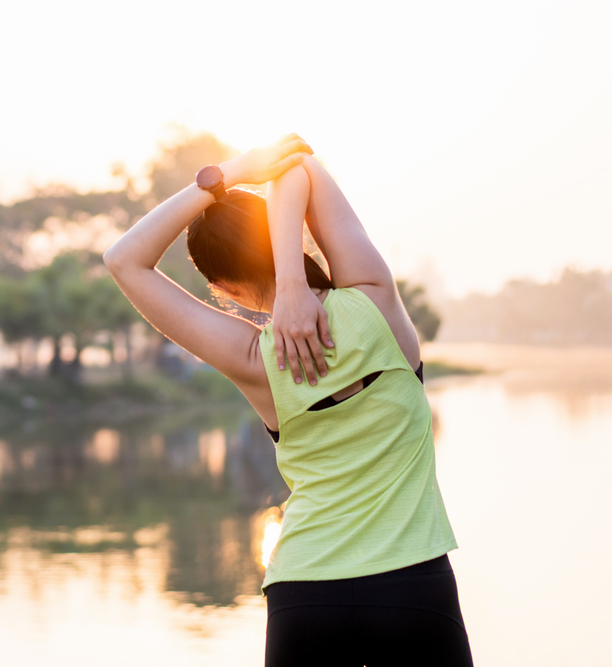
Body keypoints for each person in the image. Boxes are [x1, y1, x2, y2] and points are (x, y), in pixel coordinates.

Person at [103, 134, 474, 666]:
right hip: (412, 587)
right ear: (293, 240)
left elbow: (124, 260)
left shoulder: (254, 358)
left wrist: (225, 174)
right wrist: (295, 280)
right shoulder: (375, 303)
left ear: (224, 289)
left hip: (305, 596)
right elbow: (298, 163)